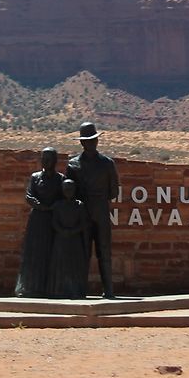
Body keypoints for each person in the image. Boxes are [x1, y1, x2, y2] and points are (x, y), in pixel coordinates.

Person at [66, 121, 120, 299]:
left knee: (104, 251)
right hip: (82, 214)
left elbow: (114, 191)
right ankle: (80, 289)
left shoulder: (107, 164)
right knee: (82, 251)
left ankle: (109, 290)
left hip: (101, 213)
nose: (91, 143)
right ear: (81, 142)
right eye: (87, 140)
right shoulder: (73, 165)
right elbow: (68, 191)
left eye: (93, 140)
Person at [14, 147, 64, 298]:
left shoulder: (60, 178)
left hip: (52, 220)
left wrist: (53, 207)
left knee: (51, 252)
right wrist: (40, 205)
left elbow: (64, 198)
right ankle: (30, 287)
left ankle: (50, 288)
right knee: (34, 253)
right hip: (37, 219)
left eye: (48, 158)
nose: (45, 161)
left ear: (55, 161)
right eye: (43, 158)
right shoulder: (35, 177)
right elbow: (29, 195)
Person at [47, 179, 90, 299]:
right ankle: (58, 290)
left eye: (70, 189)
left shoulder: (79, 205)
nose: (68, 192)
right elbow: (54, 222)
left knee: (75, 265)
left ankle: (75, 290)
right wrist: (63, 231)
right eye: (66, 189)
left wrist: (72, 231)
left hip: (75, 240)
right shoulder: (58, 205)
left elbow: (83, 223)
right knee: (59, 265)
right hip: (60, 240)